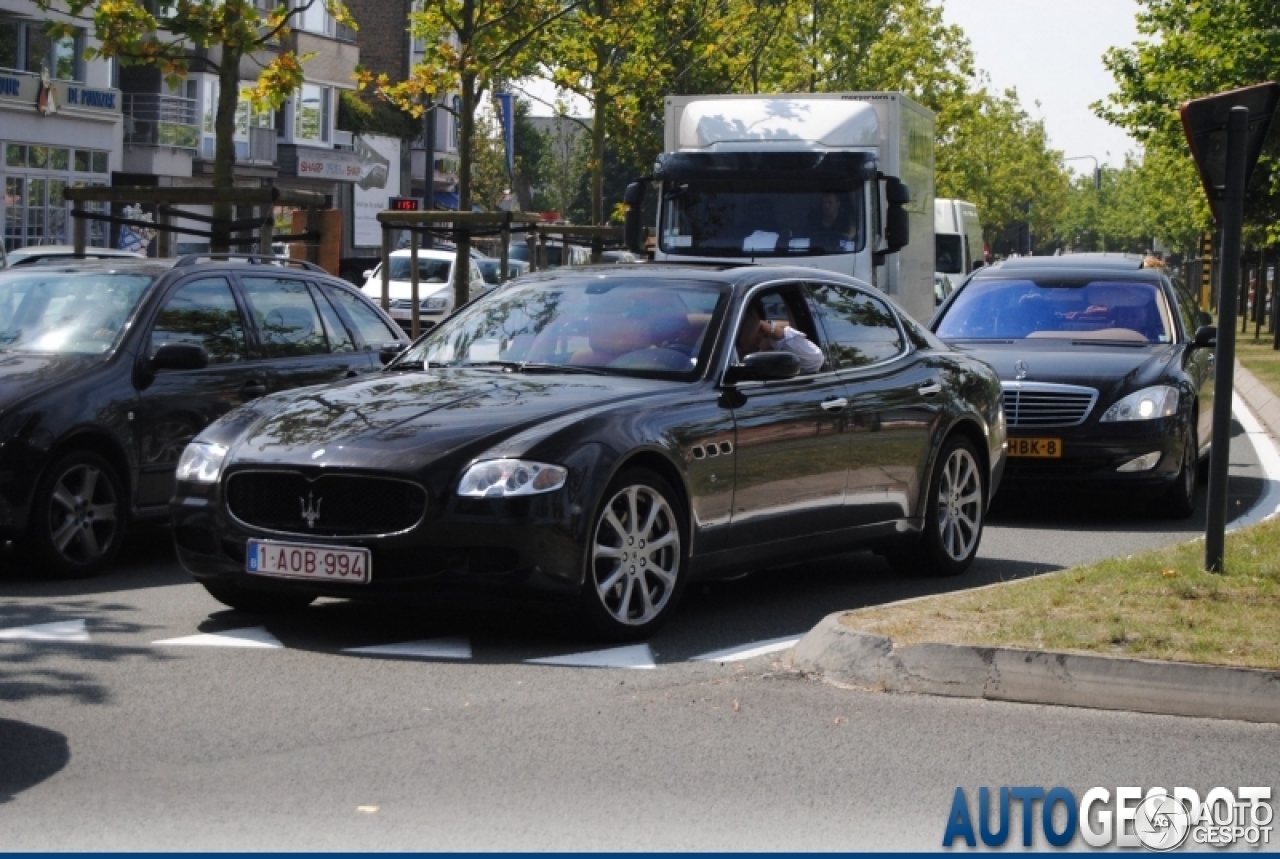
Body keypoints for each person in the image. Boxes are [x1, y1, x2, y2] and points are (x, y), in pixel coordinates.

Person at [734, 298, 824, 373]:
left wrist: (774, 331)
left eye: (745, 319)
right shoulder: (723, 353)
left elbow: (814, 361)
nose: (738, 327)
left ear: (761, 328)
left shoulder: (766, 356)